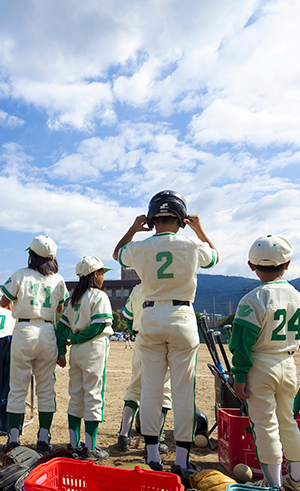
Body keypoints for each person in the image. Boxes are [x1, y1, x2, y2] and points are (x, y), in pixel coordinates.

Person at [112, 190, 218, 483]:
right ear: (181, 219)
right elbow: (214, 258)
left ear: (152, 217)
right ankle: (181, 459)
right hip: (182, 315)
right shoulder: (191, 243)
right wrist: (198, 228)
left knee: (150, 387)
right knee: (183, 390)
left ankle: (152, 455)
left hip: (149, 316)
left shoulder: (142, 247)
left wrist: (134, 228)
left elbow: (117, 253)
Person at [229, 235, 300, 491]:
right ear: (287, 264)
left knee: (264, 425)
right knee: (287, 420)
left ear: (251, 265)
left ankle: (273, 482)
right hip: (288, 362)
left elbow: (241, 342)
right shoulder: (298, 297)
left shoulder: (254, 298)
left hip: (260, 363)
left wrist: (240, 375)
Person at [1, 236, 69, 454]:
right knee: (46, 389)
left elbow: (4, 301)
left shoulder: (21, 273)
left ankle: (13, 438)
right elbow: (60, 309)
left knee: (18, 387)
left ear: (32, 255)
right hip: (47, 331)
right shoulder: (58, 279)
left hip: (24, 330)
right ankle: (43, 437)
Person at [55, 256, 114, 460]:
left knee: (76, 395)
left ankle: (73, 443)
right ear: (95, 274)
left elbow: (61, 327)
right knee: (93, 395)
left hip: (76, 352)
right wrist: (77, 337)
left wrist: (61, 350)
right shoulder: (99, 296)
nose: (103, 278)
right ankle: (90, 447)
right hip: (93, 347)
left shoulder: (72, 299)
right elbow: (99, 326)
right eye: (102, 273)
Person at [116, 284, 172, 454]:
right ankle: (157, 437)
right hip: (166, 338)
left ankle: (124, 434)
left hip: (143, 337)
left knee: (136, 385)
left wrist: (135, 334)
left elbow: (128, 317)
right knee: (164, 389)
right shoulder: (173, 283)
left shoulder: (137, 288)